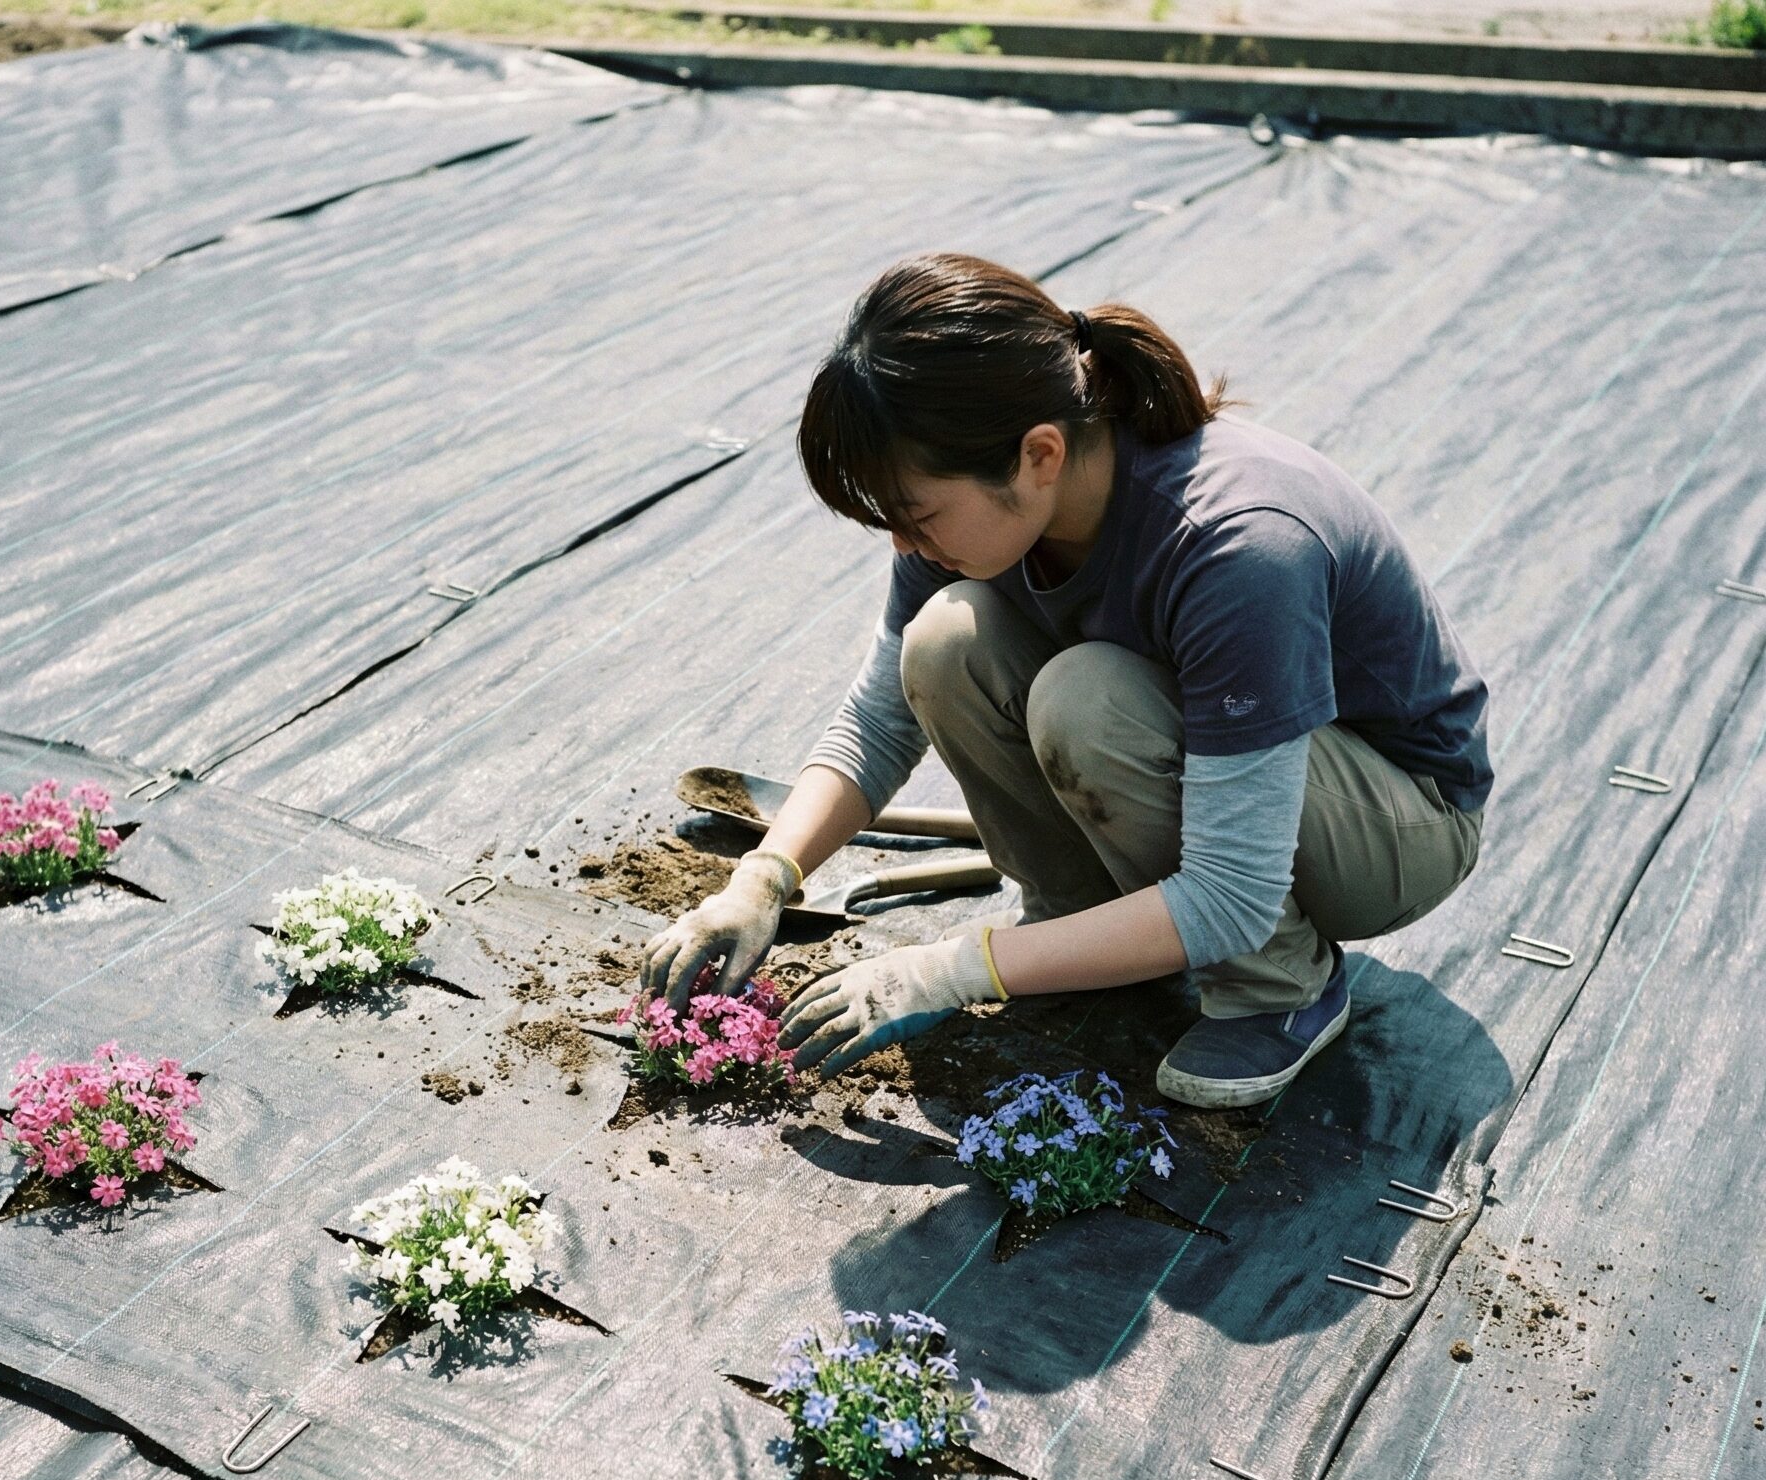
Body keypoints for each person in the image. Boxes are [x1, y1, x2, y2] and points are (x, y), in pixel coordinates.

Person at [639, 254, 1491, 1109]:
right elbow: (877, 723)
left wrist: (951, 969)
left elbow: (1232, 891)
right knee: (943, 641)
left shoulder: (1240, 545)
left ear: (1038, 454)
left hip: (1395, 822)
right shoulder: (976, 523)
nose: (902, 544)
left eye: (917, 513)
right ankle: (1076, 925)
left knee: (1089, 703)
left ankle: (1281, 990)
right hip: (1231, 774)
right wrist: (764, 878)